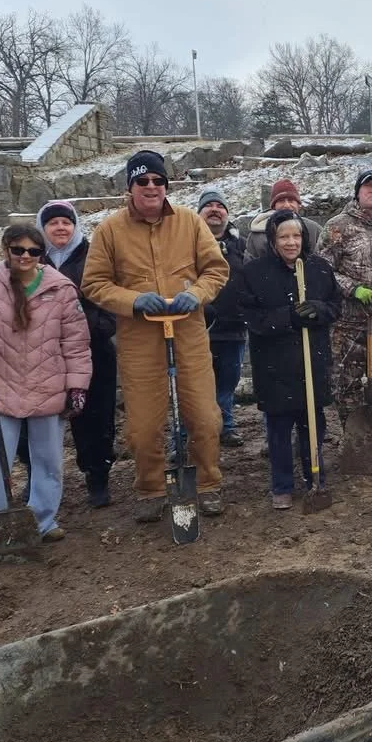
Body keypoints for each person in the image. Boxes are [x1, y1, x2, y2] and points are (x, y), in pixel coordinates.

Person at [82, 150, 230, 523]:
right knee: (143, 427)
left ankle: (208, 483)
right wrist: (132, 301)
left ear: (166, 185)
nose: (151, 187)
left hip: (188, 333)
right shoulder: (109, 231)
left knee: (205, 418)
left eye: (158, 181)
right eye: (142, 181)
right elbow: (94, 283)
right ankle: (150, 486)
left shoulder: (190, 223)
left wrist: (197, 294)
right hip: (139, 339)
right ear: (130, 186)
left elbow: (216, 269)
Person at [0, 224, 91, 572]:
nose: (26, 256)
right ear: (5, 250)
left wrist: (77, 386)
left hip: (47, 383)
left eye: (33, 251)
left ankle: (41, 521)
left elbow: (75, 343)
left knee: (49, 461)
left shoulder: (60, 288)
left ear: (42, 254)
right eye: (18, 250)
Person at [20, 201, 119, 508]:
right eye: (53, 223)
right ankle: (36, 476)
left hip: (93, 351)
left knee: (94, 418)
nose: (61, 228)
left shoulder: (93, 255)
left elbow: (109, 296)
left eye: (66, 222)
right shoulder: (31, 258)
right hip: (42, 355)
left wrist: (92, 327)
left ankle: (97, 476)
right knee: (34, 419)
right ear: (42, 228)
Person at [239, 210, 341, 508]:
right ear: (273, 240)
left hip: (312, 361)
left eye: (296, 236)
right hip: (275, 366)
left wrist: (319, 309)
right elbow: (252, 317)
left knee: (313, 425)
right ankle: (282, 485)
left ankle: (315, 478)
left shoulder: (319, 268)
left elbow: (336, 306)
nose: (291, 242)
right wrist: (288, 317)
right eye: (284, 236)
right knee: (279, 429)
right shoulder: (255, 273)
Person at [317, 169, 372, 426]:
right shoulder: (337, 226)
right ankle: (355, 437)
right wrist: (353, 289)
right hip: (348, 325)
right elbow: (322, 270)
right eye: (368, 186)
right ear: (357, 192)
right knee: (347, 386)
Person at [197, 187, 248, 448]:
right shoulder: (188, 242)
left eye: (220, 206)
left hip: (234, 328)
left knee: (228, 383)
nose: (215, 210)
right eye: (209, 206)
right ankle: (184, 435)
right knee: (193, 386)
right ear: (199, 213)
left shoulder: (240, 244)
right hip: (197, 329)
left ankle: (225, 426)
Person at [244, 178, 323, 261]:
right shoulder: (257, 236)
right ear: (274, 207)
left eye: (291, 200)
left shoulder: (314, 230)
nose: (287, 205)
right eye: (281, 201)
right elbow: (249, 265)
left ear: (298, 205)